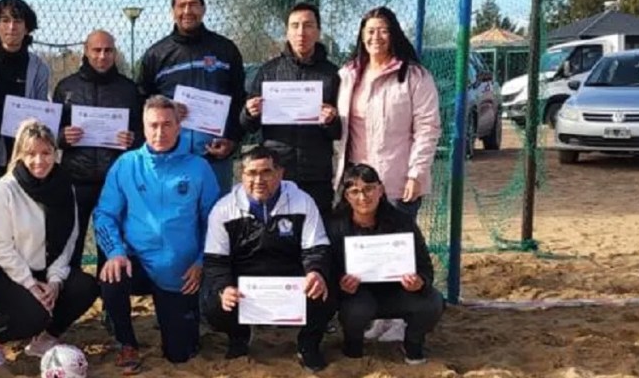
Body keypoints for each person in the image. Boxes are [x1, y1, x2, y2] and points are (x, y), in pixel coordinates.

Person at [334, 6, 442, 342]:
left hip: (398, 179)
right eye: (369, 31)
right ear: (361, 35)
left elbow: (428, 127)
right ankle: (372, 316)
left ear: (393, 33)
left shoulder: (414, 76)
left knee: (396, 249)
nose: (375, 37)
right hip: (356, 182)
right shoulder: (348, 74)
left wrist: (416, 172)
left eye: (382, 30)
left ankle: (398, 318)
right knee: (364, 251)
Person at [94, 95, 221, 374]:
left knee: (180, 355)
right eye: (153, 125)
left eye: (166, 124)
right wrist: (114, 252)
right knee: (112, 276)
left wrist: (201, 261)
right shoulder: (125, 165)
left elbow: (215, 223)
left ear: (179, 127)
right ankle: (126, 341)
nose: (159, 132)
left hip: (181, 273)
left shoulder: (199, 168)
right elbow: (104, 214)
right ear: (143, 126)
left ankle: (186, 322)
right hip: (136, 262)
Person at [0, 120, 99, 368]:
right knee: (34, 316)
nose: (39, 161)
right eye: (31, 154)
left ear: (55, 152)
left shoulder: (64, 186)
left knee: (86, 288)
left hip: (45, 269)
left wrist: (54, 281)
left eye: (45, 153)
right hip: (2, 271)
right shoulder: (6, 189)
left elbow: (69, 237)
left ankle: (43, 340)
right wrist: (30, 285)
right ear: (20, 154)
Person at [203, 146, 336, 371]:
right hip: (245, 282)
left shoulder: (302, 201)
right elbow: (216, 260)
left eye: (266, 172)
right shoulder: (223, 209)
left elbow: (316, 247)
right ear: (241, 175)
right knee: (213, 303)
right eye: (251, 173)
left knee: (324, 290)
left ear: (280, 173)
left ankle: (308, 345)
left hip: (290, 279)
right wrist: (224, 287)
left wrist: (315, 271)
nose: (259, 180)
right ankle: (239, 338)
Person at [325, 164, 443, 365]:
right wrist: (340, 283)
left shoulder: (402, 222)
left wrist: (419, 281)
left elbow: (425, 267)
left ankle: (413, 344)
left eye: (369, 189)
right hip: (357, 295)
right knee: (356, 310)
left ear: (380, 189)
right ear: (346, 196)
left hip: (398, 292)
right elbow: (327, 267)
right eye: (355, 191)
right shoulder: (335, 225)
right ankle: (353, 346)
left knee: (432, 301)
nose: (363, 197)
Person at [137, 0, 246, 194]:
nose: (188, 11)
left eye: (193, 4)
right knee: (174, 217)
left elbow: (239, 99)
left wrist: (232, 140)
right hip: (171, 157)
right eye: (181, 5)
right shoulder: (156, 54)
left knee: (215, 219)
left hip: (215, 157)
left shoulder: (225, 49)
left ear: (203, 9)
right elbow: (141, 101)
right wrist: (166, 108)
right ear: (173, 11)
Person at [240, 2, 342, 217]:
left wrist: (331, 120)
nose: (301, 32)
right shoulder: (269, 72)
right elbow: (248, 125)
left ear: (318, 31)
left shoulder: (332, 74)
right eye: (295, 26)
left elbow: (339, 131)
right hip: (276, 171)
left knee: (317, 234)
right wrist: (250, 112)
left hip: (316, 173)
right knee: (277, 237)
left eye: (308, 26)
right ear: (287, 31)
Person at [53, 29, 142, 269]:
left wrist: (132, 139)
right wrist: (63, 136)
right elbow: (51, 132)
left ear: (114, 52)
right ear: (86, 51)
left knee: (110, 244)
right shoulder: (66, 87)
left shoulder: (129, 89)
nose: (102, 56)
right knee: (72, 244)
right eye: (97, 50)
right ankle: (70, 299)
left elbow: (143, 134)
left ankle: (109, 300)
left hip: (114, 180)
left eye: (108, 50)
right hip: (75, 178)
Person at [0, 0, 51, 175]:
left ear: (27, 27)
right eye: (5, 20)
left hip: (24, 152)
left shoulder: (39, 68)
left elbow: (40, 112)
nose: (11, 27)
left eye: (18, 20)